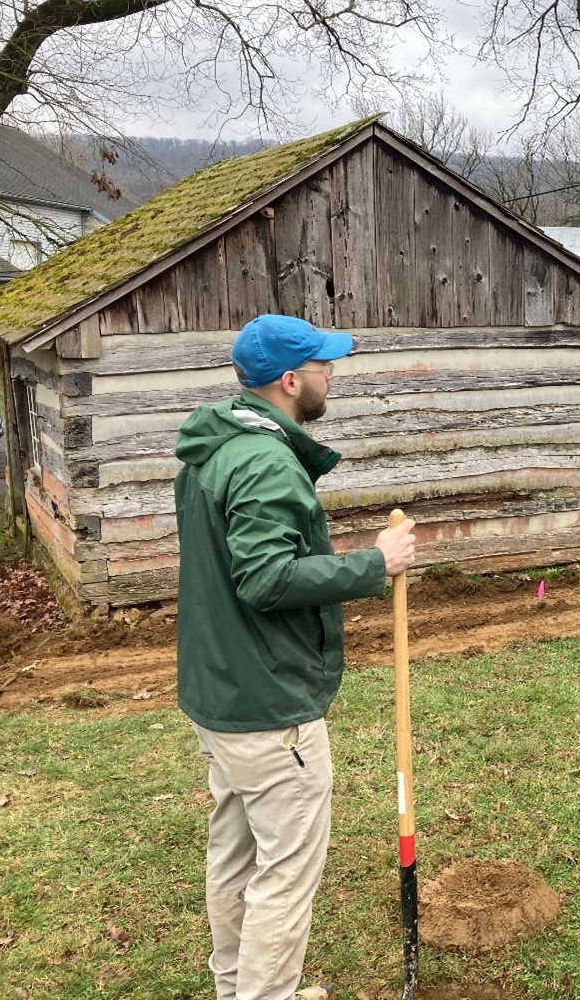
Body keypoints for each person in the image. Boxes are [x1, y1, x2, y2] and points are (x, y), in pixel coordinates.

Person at [175, 314, 418, 1000]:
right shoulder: (262, 460)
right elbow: (264, 577)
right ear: (290, 380)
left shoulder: (216, 446)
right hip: (268, 706)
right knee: (283, 871)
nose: (330, 374)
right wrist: (375, 563)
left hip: (218, 694)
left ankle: (237, 991)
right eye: (321, 365)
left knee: (235, 853)